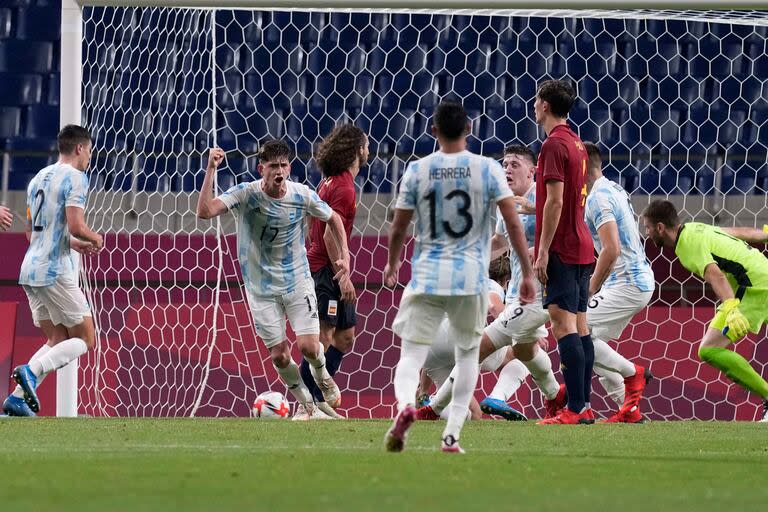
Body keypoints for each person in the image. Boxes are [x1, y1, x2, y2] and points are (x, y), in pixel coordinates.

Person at [382, 100, 535, 453]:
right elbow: (513, 223)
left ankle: (406, 404)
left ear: (433, 131)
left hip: (427, 275)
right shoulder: (487, 170)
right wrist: (526, 273)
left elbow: (399, 226)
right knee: (468, 358)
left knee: (411, 356)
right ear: (469, 131)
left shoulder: (418, 170)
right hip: (471, 278)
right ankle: (451, 436)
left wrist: (391, 264)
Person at [196, 140, 351, 418]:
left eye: (283, 165)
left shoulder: (301, 195)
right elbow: (205, 211)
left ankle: (323, 375)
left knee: (309, 347)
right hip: (260, 289)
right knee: (280, 355)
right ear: (261, 169)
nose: (279, 171)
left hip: (297, 281)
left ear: (289, 167)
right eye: (273, 166)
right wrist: (210, 169)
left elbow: (334, 219)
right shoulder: (246, 194)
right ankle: (306, 405)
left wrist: (345, 258)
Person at [417, 145, 564, 423]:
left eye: (515, 164)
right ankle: (556, 397)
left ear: (533, 171)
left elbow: (562, 233)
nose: (507, 169)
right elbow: (499, 242)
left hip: (541, 290)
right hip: (517, 293)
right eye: (504, 164)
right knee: (524, 351)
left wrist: (541, 251)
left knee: (482, 346)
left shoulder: (545, 200)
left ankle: (432, 409)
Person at [3, 124, 103, 417]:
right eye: (90, 151)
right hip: (54, 270)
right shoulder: (76, 178)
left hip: (29, 268)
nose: (89, 158)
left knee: (57, 339)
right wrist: (93, 238)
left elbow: (33, 234)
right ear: (80, 148)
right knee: (85, 338)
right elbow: (76, 224)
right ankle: (31, 372)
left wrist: (73, 243)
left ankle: (17, 401)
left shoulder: (37, 179)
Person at [641, 200, 768, 422]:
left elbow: (715, 275)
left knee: (709, 349)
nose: (647, 232)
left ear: (660, 227)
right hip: (762, 270)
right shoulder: (696, 228)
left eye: (648, 227)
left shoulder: (687, 246)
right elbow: (740, 232)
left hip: (753, 286)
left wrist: (731, 309)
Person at [532, 79, 597, 425]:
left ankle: (573, 408)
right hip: (582, 244)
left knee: (562, 325)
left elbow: (556, 201)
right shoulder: (577, 144)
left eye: (536, 100)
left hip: (563, 248)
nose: (533, 105)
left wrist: (542, 251)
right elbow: (565, 198)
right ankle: (583, 406)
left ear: (544, 105)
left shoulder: (553, 145)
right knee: (581, 327)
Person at [296, 124, 367, 420]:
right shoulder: (343, 187)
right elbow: (327, 235)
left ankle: (319, 400)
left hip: (328, 267)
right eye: (365, 144)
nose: (368, 149)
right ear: (355, 150)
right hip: (326, 269)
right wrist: (343, 274)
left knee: (345, 337)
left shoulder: (332, 182)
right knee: (323, 336)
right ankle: (305, 404)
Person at [583, 142, 653, 423]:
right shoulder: (611, 188)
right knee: (591, 341)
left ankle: (632, 373)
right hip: (630, 279)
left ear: (583, 164)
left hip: (628, 281)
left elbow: (610, 249)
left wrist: (590, 287)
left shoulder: (598, 197)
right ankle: (629, 410)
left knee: (576, 331)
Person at [417, 256, 525, 421]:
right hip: (460, 342)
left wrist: (423, 389)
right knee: (525, 353)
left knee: (474, 415)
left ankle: (428, 402)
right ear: (506, 280)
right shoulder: (490, 284)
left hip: (429, 352)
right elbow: (495, 306)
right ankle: (498, 397)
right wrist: (520, 330)